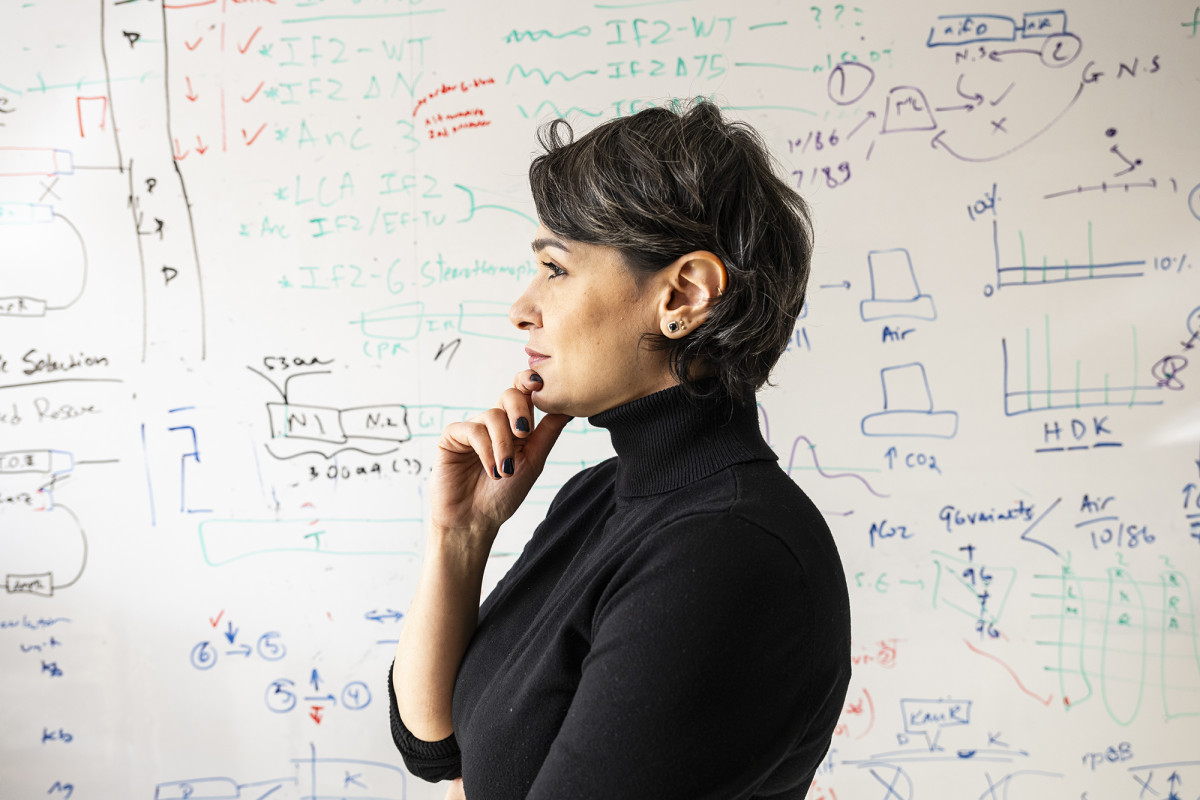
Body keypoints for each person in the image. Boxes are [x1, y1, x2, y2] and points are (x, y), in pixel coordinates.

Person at [388, 100, 851, 799]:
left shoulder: (724, 550)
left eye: (557, 269)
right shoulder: (598, 497)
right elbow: (432, 747)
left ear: (684, 296)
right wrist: (462, 534)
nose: (522, 306)